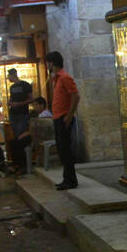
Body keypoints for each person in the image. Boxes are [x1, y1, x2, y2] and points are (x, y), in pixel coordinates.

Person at [47, 51, 80, 190]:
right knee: (62, 149)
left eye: (48, 63)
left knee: (65, 149)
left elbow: (75, 96)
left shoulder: (64, 77)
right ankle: (67, 178)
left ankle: (71, 180)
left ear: (51, 63)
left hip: (63, 117)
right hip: (58, 117)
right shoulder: (57, 79)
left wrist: (69, 114)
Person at [6, 68, 33, 175]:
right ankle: (18, 164)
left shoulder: (25, 85)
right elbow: (12, 98)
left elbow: (31, 99)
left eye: (9, 76)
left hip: (22, 114)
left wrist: (20, 104)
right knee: (16, 137)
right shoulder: (12, 87)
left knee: (19, 139)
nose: (8, 78)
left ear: (14, 75)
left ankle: (21, 165)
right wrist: (10, 102)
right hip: (13, 114)